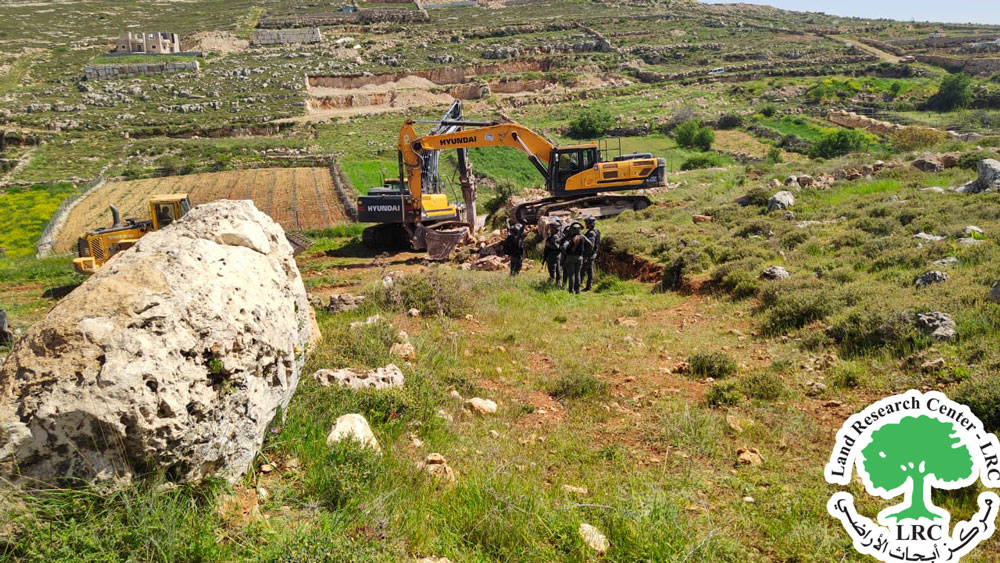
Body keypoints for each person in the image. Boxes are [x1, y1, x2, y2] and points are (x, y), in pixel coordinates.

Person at [562, 221, 592, 294]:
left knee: (571, 274)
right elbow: (590, 245)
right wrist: (585, 254)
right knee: (578, 274)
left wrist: (565, 254)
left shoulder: (569, 238)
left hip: (570, 258)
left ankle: (571, 290)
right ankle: (578, 290)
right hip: (580, 258)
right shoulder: (583, 237)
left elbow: (563, 246)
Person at [582, 216, 601, 292]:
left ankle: (577, 285)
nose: (585, 224)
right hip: (592, 254)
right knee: (590, 270)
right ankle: (589, 287)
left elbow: (590, 245)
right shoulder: (595, 231)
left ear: (590, 224)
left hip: (589, 255)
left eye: (586, 223)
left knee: (582, 270)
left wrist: (586, 256)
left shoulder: (591, 233)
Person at [543, 218, 564, 285]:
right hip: (554, 255)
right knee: (556, 269)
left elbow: (556, 247)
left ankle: (555, 282)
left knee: (555, 269)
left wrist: (549, 245)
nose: (550, 229)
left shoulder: (555, 236)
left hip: (554, 255)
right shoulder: (556, 235)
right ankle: (556, 281)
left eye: (551, 228)